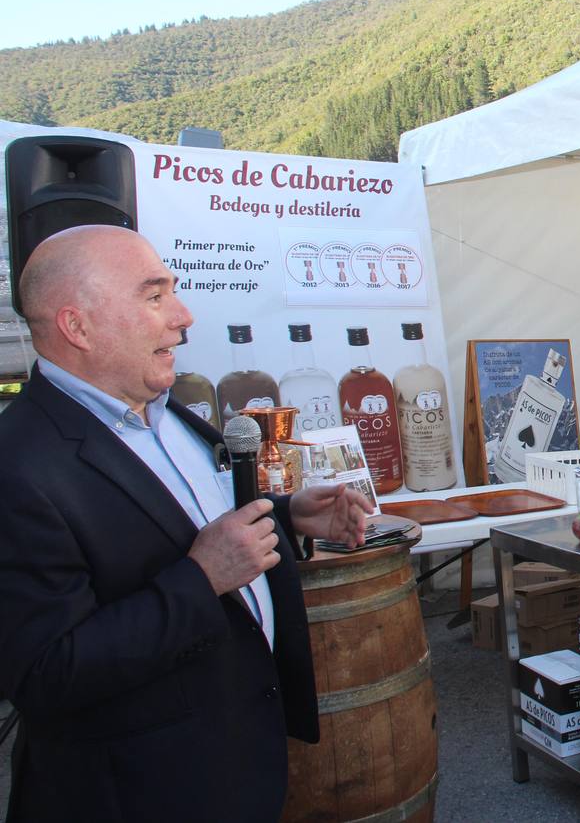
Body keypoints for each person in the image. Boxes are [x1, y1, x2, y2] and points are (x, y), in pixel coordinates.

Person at [0, 226, 373, 822]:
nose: (183, 315)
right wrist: (200, 580)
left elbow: (187, 515)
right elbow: (44, 675)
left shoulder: (160, 405)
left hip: (233, 759)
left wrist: (287, 515)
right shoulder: (17, 463)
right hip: (138, 792)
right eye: (155, 296)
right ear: (78, 327)